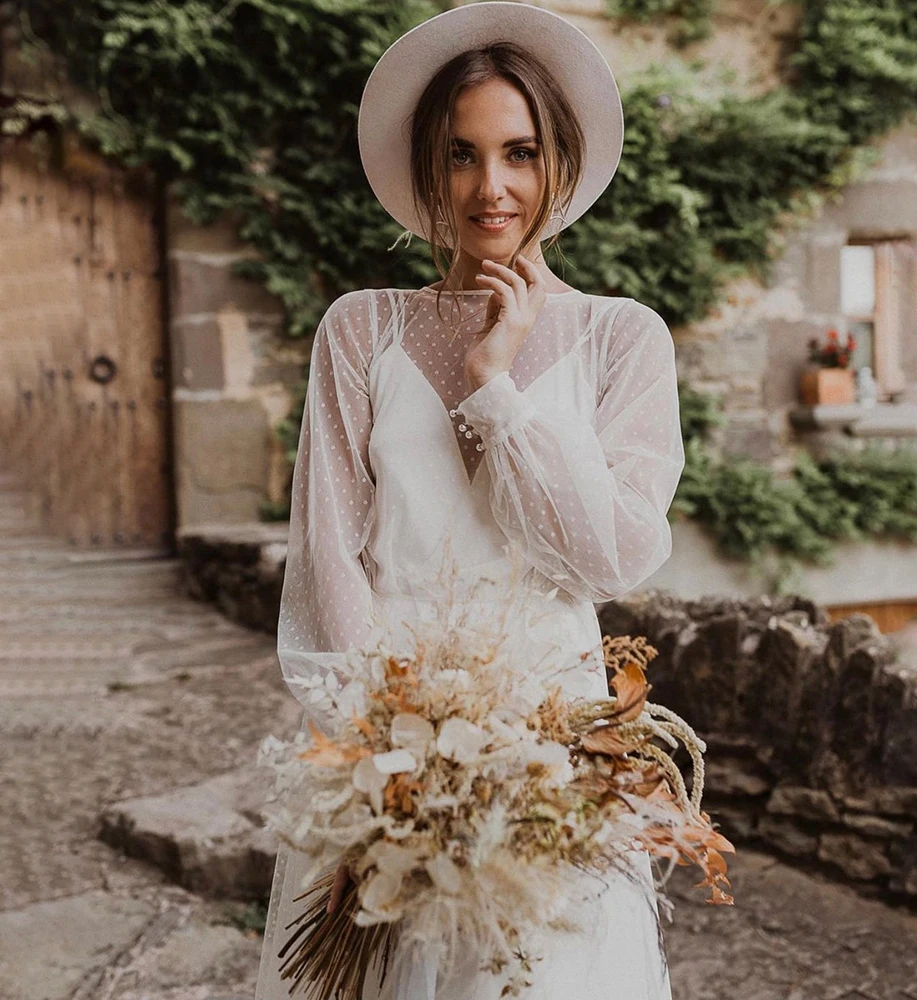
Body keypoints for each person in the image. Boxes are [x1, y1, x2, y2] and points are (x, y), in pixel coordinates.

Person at [254, 3, 685, 998]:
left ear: (558, 165)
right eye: (461, 155)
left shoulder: (623, 339)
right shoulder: (360, 330)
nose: (491, 187)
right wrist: (386, 760)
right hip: (386, 753)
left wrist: (497, 387)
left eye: (520, 153)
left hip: (556, 761)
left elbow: (612, 554)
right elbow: (327, 556)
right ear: (426, 169)